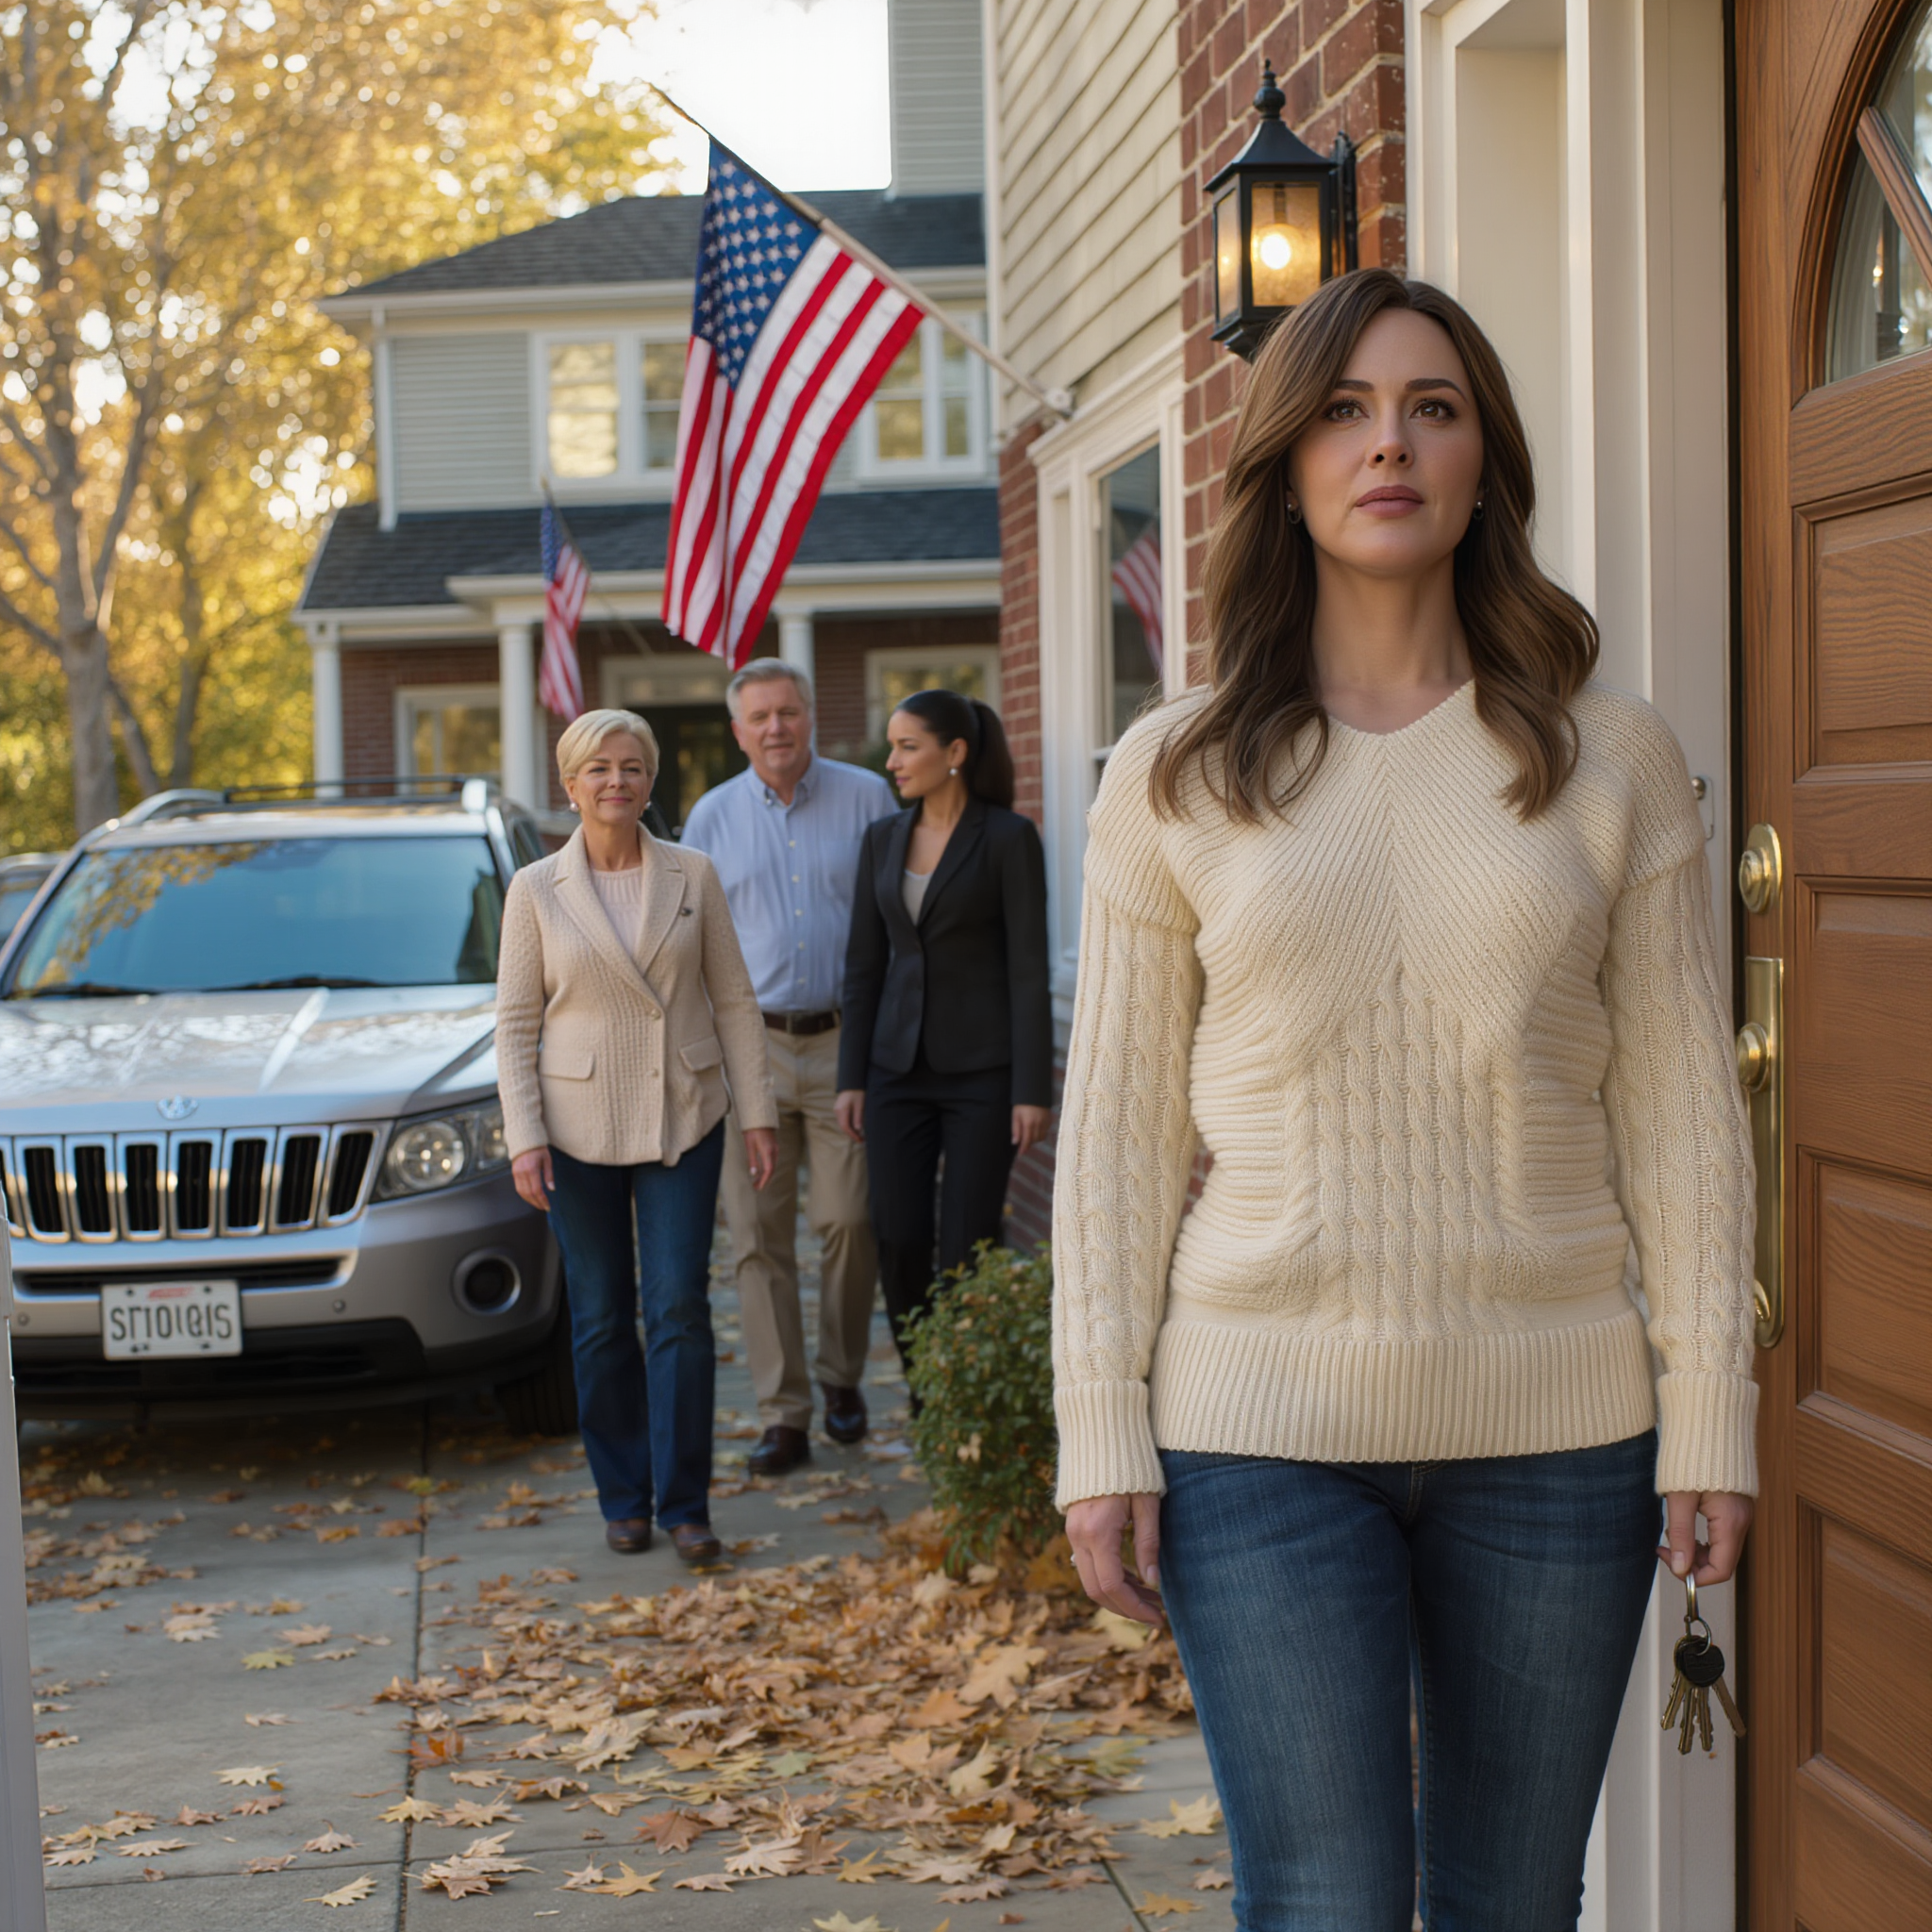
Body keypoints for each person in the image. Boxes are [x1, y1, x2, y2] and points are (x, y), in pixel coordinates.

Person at [1053, 271, 1757, 1931]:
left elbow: (1680, 1111)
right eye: (1345, 411)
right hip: (1255, 1436)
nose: (1388, 444)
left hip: (1561, 1432)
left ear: (1482, 458)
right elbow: (1118, 1134)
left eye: (1430, 408)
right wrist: (1099, 1428)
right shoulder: (1173, 771)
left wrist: (1708, 1407)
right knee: (1323, 1901)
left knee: (1512, 1902)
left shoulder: (1610, 759)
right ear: (1286, 464)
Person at [496, 709, 779, 1564]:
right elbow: (514, 1023)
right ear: (570, 785)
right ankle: (624, 1497)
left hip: (682, 1113)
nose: (616, 781)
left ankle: (686, 1504)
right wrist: (524, 1135)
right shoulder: (535, 889)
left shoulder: (694, 874)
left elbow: (734, 1000)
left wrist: (757, 1111)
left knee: (680, 1310)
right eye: (598, 768)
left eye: (631, 767)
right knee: (599, 1317)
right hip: (573, 1127)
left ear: (650, 781)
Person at [680, 662, 896, 1476]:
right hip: (751, 1051)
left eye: (788, 711)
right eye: (760, 717)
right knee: (756, 1235)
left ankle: (842, 1375)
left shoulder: (868, 798)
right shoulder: (711, 817)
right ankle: (783, 1412)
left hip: (846, 1044)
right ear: (738, 731)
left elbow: (895, 918)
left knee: (850, 1220)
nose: (776, 727)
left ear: (810, 715)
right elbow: (687, 941)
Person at [836, 690, 1053, 1368]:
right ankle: (925, 1386)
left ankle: (960, 1384)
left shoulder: (1009, 839)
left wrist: (1031, 1089)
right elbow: (863, 966)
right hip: (894, 1071)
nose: (893, 762)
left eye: (908, 747)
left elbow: (1028, 969)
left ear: (954, 752)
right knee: (897, 1236)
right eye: (893, 747)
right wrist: (850, 1078)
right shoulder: (881, 839)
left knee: (966, 1244)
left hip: (982, 1077)